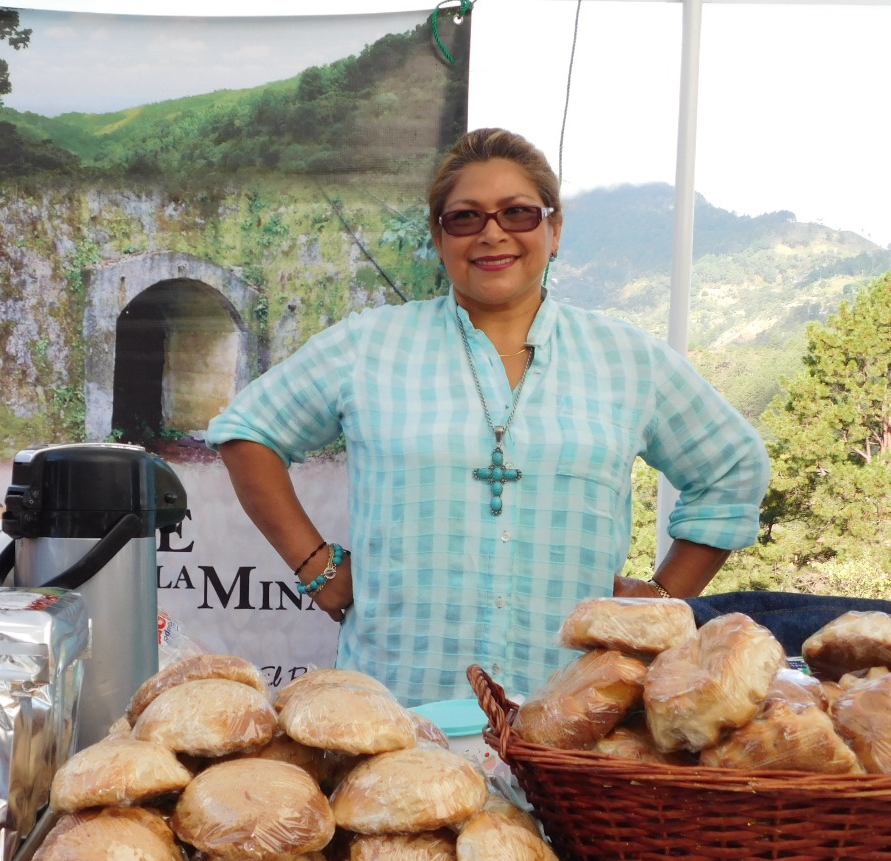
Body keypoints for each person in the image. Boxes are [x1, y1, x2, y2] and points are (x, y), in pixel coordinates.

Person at [205, 127, 771, 706]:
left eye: (518, 213)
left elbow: (733, 468)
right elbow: (248, 431)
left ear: (554, 231)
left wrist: (660, 599)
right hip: (398, 710)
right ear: (440, 236)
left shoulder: (626, 359)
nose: (492, 233)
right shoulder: (369, 346)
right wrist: (317, 567)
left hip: (570, 712)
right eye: (466, 218)